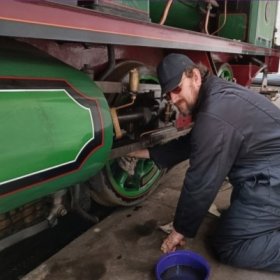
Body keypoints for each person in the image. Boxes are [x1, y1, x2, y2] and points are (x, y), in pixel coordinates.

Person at [128, 53, 280, 271]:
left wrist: (180, 230)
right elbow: (194, 143)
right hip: (266, 169)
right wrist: (144, 153)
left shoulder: (215, 112)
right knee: (234, 219)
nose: (172, 98)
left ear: (195, 77)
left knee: (230, 245)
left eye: (177, 88)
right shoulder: (215, 95)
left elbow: (201, 180)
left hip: (272, 179)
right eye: (168, 93)